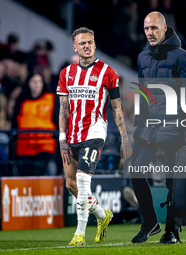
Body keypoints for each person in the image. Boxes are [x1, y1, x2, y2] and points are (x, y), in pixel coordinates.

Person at [57, 27, 132, 245]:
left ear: (95, 44)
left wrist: (124, 139)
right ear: (75, 47)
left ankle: (79, 234)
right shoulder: (66, 73)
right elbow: (63, 109)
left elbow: (117, 109)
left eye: (90, 42)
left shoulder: (108, 72)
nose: (87, 46)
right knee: (70, 183)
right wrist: (62, 138)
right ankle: (101, 214)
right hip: (72, 133)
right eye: (82, 43)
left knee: (81, 179)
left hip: (95, 130)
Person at [131, 12, 186, 244]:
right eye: (146, 29)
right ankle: (150, 223)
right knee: (136, 171)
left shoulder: (183, 57)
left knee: (174, 181)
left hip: (175, 127)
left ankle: (171, 231)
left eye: (153, 28)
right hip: (149, 128)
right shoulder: (142, 57)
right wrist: (138, 121)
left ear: (164, 27)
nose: (149, 33)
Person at [12, 73, 58, 176]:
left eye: (39, 82)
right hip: (24, 147)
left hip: (45, 147)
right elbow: (14, 122)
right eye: (34, 82)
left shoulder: (52, 99)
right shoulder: (21, 101)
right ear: (28, 83)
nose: (37, 85)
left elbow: (58, 121)